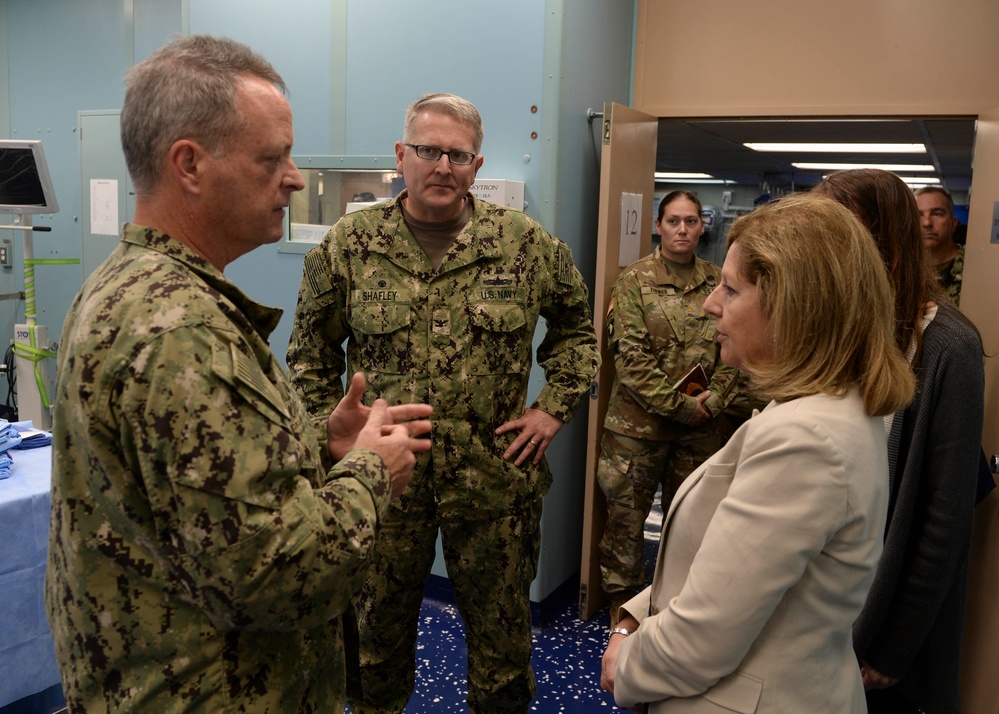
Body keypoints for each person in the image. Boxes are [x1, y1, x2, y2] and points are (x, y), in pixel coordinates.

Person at [44, 35, 433, 713]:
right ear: (189, 164)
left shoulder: (123, 285)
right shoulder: (184, 332)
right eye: (271, 157)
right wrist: (372, 470)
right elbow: (279, 576)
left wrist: (316, 443)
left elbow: (184, 489)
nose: (293, 176)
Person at [286, 92, 599, 713]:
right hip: (382, 485)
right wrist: (334, 436)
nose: (442, 166)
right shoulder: (351, 244)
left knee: (503, 651)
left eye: (457, 154)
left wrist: (553, 407)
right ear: (401, 156)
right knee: (371, 649)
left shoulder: (524, 245)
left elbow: (577, 332)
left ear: (476, 166)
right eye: (428, 150)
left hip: (494, 483)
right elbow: (308, 357)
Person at [600, 192, 916, 713]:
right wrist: (639, 611)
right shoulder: (821, 404)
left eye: (731, 288)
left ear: (792, 304)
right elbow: (736, 567)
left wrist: (625, 665)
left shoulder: (804, 438)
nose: (711, 304)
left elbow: (703, 639)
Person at [815, 169, 986, 714]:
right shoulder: (836, 330)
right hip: (821, 605)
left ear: (877, 242)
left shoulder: (947, 348)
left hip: (883, 626)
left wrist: (895, 649)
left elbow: (943, 519)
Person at [596, 191, 741, 620]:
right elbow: (630, 360)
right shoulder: (634, 281)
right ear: (658, 226)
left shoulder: (720, 281)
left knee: (693, 523)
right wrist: (682, 406)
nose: (682, 229)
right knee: (625, 521)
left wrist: (714, 401)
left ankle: (677, 613)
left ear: (702, 227)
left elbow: (734, 350)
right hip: (637, 431)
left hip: (701, 429)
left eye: (691, 221)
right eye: (673, 221)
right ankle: (621, 615)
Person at [914, 185, 964, 307]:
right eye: (919, 215)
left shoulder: (974, 270)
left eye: (937, 214)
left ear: (953, 223)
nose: (927, 223)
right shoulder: (901, 268)